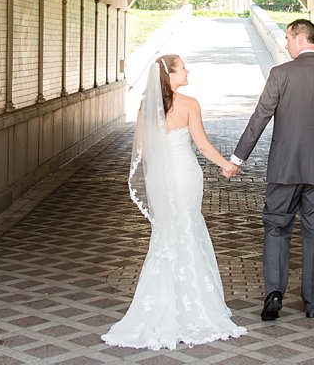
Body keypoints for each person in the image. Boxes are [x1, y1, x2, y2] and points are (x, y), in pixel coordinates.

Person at [102, 54, 247, 350]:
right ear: (170, 75)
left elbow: (143, 150)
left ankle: (159, 306)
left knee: (165, 235)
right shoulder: (189, 104)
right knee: (188, 231)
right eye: (183, 67)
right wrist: (227, 165)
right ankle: (195, 306)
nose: (188, 70)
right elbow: (203, 144)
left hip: (160, 179)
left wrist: (159, 172)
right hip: (184, 176)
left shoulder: (146, 107)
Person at [228, 19, 314, 321]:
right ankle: (313, 303)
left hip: (284, 168)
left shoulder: (280, 74)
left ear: (299, 38)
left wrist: (238, 158)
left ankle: (274, 294)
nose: (284, 44)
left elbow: (261, 117)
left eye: (287, 38)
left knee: (276, 227)